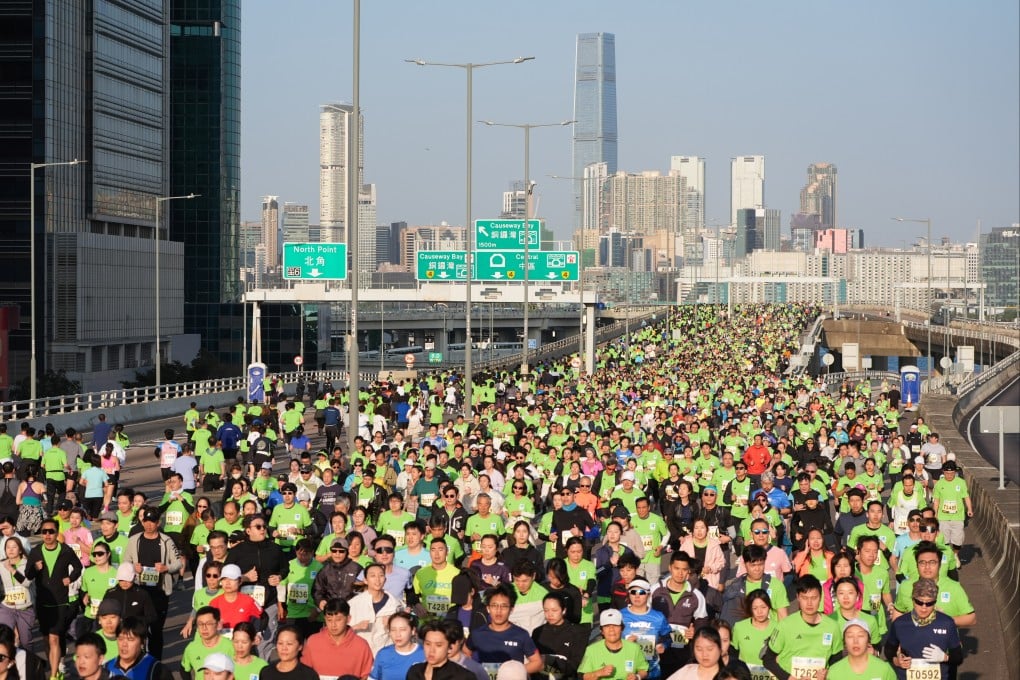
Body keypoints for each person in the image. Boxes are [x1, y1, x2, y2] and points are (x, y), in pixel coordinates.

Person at [27, 516, 83, 677]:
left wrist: (70, 578)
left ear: (56, 532)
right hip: (43, 603)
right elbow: (28, 575)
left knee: (54, 638)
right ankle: (54, 667)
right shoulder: (36, 551)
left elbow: (78, 567)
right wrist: (35, 569)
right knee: (46, 639)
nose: (47, 535)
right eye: (44, 532)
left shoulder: (65, 550)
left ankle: (54, 673)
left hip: (60, 602)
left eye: (51, 531)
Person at [123, 506, 182, 658]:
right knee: (137, 629)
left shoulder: (166, 541)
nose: (149, 525)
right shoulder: (134, 541)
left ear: (158, 522)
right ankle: (138, 659)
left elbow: (178, 563)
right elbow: (125, 563)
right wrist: (132, 567)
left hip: (159, 592)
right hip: (139, 591)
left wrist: (165, 568)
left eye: (152, 522)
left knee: (156, 630)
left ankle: (156, 662)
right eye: (146, 521)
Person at [762, 575, 843, 680]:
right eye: (804, 598)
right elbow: (768, 660)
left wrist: (827, 673)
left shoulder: (832, 627)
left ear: (820, 597)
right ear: (798, 597)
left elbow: (836, 661)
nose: (809, 603)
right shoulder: (785, 625)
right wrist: (788, 678)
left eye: (814, 598)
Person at [885, 578, 964, 680]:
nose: (924, 607)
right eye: (919, 602)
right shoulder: (900, 623)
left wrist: (945, 658)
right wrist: (897, 661)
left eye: (929, 603)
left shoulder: (946, 623)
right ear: (913, 600)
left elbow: (958, 658)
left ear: (935, 602)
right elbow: (888, 651)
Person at [467, 584, 543, 676]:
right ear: (488, 608)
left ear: (511, 609)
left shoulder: (521, 634)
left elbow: (538, 663)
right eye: (494, 606)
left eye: (504, 606)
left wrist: (513, 673)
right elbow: (464, 655)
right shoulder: (477, 634)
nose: (499, 611)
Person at [300, 598, 375, 679]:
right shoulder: (313, 642)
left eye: (338, 620)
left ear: (348, 619)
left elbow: (367, 676)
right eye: (329, 620)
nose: (333, 624)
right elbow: (304, 673)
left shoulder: (361, 645)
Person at [620, 578, 672, 680]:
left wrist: (664, 645)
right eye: (633, 592)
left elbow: (669, 637)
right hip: (626, 669)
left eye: (641, 592)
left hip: (652, 670)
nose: (637, 596)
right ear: (629, 595)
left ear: (648, 595)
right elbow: (609, 640)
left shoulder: (658, 617)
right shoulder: (620, 615)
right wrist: (625, 643)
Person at [577, 608, 649, 680]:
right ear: (601, 631)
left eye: (615, 625)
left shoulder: (634, 648)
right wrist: (599, 673)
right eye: (607, 626)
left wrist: (637, 677)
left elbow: (644, 669)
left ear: (622, 628)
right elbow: (582, 675)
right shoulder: (591, 650)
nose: (611, 629)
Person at [531, 592, 588, 680]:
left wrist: (548, 662)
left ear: (564, 610)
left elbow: (575, 665)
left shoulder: (578, 632)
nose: (550, 614)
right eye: (546, 610)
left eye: (554, 610)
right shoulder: (538, 632)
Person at [349, 562, 400, 653]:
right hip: (359, 654)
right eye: (372, 576)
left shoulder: (396, 605)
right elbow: (340, 632)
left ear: (385, 579)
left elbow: (404, 635)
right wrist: (356, 627)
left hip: (386, 655)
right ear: (365, 580)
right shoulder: (353, 604)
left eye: (381, 575)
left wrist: (391, 627)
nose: (377, 579)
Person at [105, 616, 172, 680]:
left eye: (130, 639)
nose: (124, 644)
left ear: (142, 642)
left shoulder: (156, 670)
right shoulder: (106, 668)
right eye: (120, 638)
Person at [729, 590, 778, 677]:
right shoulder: (739, 627)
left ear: (769, 607)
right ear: (750, 609)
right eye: (755, 608)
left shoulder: (779, 628)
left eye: (763, 607)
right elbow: (732, 653)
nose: (759, 612)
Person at [828, 618, 896, 680]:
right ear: (844, 642)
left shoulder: (884, 669)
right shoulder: (834, 671)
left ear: (868, 641)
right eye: (850, 636)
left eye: (860, 636)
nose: (855, 641)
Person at [407, 620, 477, 680]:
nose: (432, 650)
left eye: (438, 645)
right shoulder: (415, 672)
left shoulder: (464, 677)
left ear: (449, 648)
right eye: (428, 644)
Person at [180, 607, 235, 680]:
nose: (204, 628)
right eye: (200, 624)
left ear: (218, 625)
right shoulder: (191, 648)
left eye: (209, 623)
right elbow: (184, 669)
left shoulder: (231, 647)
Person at [369, 612, 426, 680]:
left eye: (402, 630)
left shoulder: (425, 654)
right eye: (393, 630)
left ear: (413, 631)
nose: (397, 634)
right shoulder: (383, 654)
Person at [0, 536, 34, 648]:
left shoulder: (28, 563)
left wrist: (12, 570)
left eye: (14, 547)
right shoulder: (1, 564)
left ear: (20, 550)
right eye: (8, 547)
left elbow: (27, 582)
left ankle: (29, 663)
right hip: (7, 608)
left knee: (25, 642)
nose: (10, 549)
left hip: (25, 608)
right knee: (5, 639)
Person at [209, 564, 262, 632]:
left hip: (242, 641)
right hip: (221, 641)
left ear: (240, 581)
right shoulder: (214, 603)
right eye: (224, 579)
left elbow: (263, 618)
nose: (227, 583)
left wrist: (258, 634)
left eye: (232, 579)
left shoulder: (249, 601)